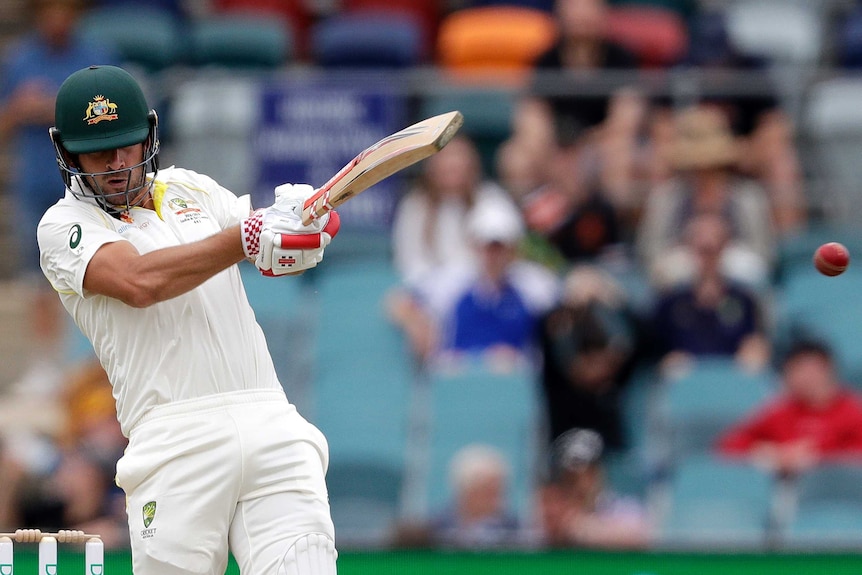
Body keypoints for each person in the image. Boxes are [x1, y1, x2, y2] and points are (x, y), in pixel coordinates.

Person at [37, 65, 340, 574]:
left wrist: (302, 227)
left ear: (150, 134)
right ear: (65, 151)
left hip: (269, 419)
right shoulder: (62, 225)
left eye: (127, 146)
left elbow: (267, 254)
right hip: (174, 443)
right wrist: (248, 235)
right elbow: (139, 283)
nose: (115, 163)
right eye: (98, 151)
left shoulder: (192, 189)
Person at [0, 0, 119, 394]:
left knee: (93, 271)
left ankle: (92, 363)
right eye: (50, 11)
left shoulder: (96, 59)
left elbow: (111, 118)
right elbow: (5, 123)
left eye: (64, 11)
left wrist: (53, 107)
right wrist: (19, 109)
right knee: (39, 281)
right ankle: (45, 366)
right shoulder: (17, 60)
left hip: (86, 184)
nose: (57, 19)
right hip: (34, 184)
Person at [387, 196, 559, 368]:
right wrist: (417, 324)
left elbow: (566, 302)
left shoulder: (534, 283)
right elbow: (398, 302)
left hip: (514, 383)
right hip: (457, 380)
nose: (492, 255)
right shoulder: (451, 281)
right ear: (474, 245)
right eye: (486, 246)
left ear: (513, 248)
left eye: (498, 247)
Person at [636, 104, 776, 291]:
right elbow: (651, 253)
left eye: (710, 166)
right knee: (670, 269)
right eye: (697, 167)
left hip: (733, 264)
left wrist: (721, 242)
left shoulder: (747, 196)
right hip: (682, 263)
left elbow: (763, 255)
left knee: (748, 268)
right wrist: (692, 243)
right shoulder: (665, 197)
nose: (703, 172)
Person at [716, 340, 862, 477]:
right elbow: (729, 445)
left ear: (828, 370)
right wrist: (771, 453)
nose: (804, 377)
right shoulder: (780, 411)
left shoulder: (854, 411)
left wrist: (818, 458)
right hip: (785, 490)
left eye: (810, 370)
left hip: (840, 489)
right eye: (796, 370)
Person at [648, 212, 771, 375]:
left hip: (732, 385)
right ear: (689, 246)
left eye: (713, 248)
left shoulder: (744, 300)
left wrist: (755, 351)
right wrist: (666, 362)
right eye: (701, 248)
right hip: (684, 388)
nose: (707, 253)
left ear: (725, 247)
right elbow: (652, 354)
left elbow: (756, 344)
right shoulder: (670, 302)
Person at [538, 264, 642, 451]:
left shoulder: (614, 318)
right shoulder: (557, 321)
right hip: (565, 420)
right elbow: (551, 346)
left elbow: (637, 341)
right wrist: (570, 307)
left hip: (609, 420)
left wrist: (611, 303)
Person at [537, 427, 651, 549]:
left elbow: (637, 535)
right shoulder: (553, 507)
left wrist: (580, 528)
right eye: (571, 478)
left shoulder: (622, 507)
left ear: (598, 472)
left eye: (588, 474)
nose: (581, 485)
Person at [427, 444, 524, 549]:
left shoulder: (514, 529)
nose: (496, 499)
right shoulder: (435, 526)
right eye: (487, 491)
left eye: (500, 490)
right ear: (465, 490)